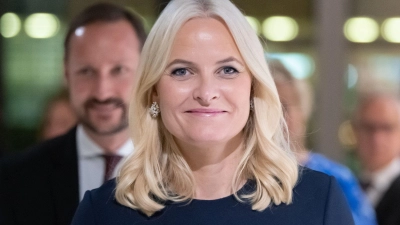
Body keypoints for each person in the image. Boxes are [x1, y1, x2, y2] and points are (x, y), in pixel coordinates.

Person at [72, 0, 354, 224]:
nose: (206, 93)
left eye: (227, 70)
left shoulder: (318, 202)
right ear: (154, 90)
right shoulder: (103, 213)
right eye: (182, 71)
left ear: (253, 87)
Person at [0, 3, 146, 225]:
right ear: (66, 74)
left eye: (119, 70)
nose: (102, 91)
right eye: (86, 71)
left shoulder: (184, 175)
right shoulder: (14, 179)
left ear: (146, 72)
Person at [270, 60, 377, 225]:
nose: (277, 117)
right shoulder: (242, 176)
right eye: (268, 107)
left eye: (284, 106)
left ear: (304, 110)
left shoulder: (335, 177)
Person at [352, 93, 400, 225]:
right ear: (355, 131)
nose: (377, 139)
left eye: (387, 128)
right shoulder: (349, 185)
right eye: (369, 128)